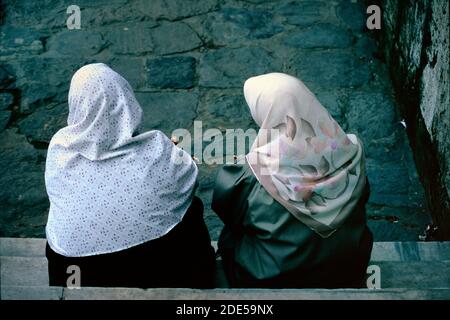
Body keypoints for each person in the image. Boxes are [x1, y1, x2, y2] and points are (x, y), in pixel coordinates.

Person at [45, 63, 215, 288]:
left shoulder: (60, 148)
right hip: (155, 268)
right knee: (190, 209)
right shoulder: (158, 149)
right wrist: (170, 156)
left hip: (75, 271)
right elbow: (188, 177)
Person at [212, 72, 373, 288]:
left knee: (231, 236)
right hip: (348, 268)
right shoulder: (352, 151)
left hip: (271, 275)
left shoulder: (249, 174)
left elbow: (226, 212)